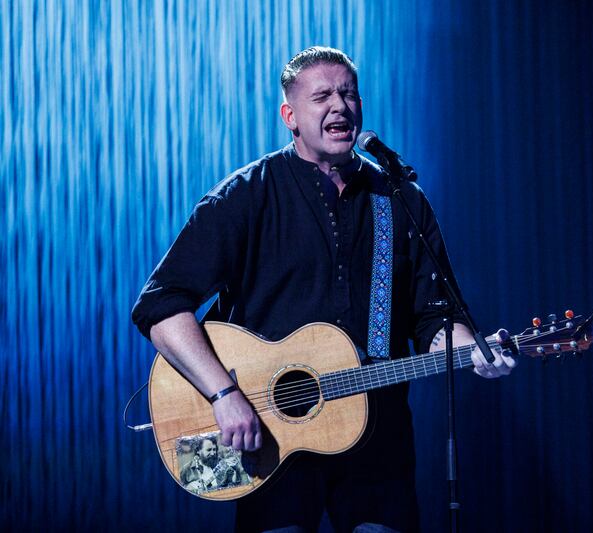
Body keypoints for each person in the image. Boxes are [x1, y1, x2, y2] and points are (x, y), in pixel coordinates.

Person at [132, 46, 516, 532]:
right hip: (270, 442)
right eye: (323, 96)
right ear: (290, 116)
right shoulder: (245, 196)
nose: (340, 105)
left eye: (349, 94)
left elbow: (434, 319)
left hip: (380, 442)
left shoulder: (398, 199)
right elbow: (161, 307)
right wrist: (223, 393)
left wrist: (475, 351)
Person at [180, 435, 248, 494]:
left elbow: (234, 482)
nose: (213, 453)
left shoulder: (221, 462)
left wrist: (237, 469)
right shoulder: (186, 470)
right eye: (209, 450)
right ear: (198, 450)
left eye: (214, 449)